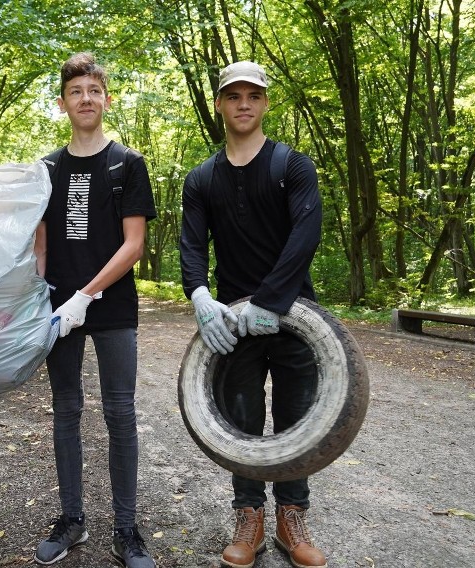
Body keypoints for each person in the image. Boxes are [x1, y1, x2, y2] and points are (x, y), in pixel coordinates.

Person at [179, 61, 326, 568]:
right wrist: (198, 294)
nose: (244, 103)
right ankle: (248, 518)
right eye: (233, 95)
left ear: (265, 103)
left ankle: (292, 518)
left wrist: (271, 301)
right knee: (240, 420)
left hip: (295, 317)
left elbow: (305, 236)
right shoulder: (201, 178)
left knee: (295, 419)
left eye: (253, 95)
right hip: (232, 324)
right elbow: (192, 246)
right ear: (219, 103)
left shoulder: (293, 166)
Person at [32, 52, 157, 568]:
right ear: (63, 103)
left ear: (107, 98)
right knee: (66, 411)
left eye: (94, 90)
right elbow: (39, 245)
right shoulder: (46, 169)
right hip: (59, 312)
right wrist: (39, 299)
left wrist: (88, 293)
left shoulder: (128, 164)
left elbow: (133, 245)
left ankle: (126, 530)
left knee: (120, 414)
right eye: (76, 91)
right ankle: (72, 520)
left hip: (112, 310)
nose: (86, 99)